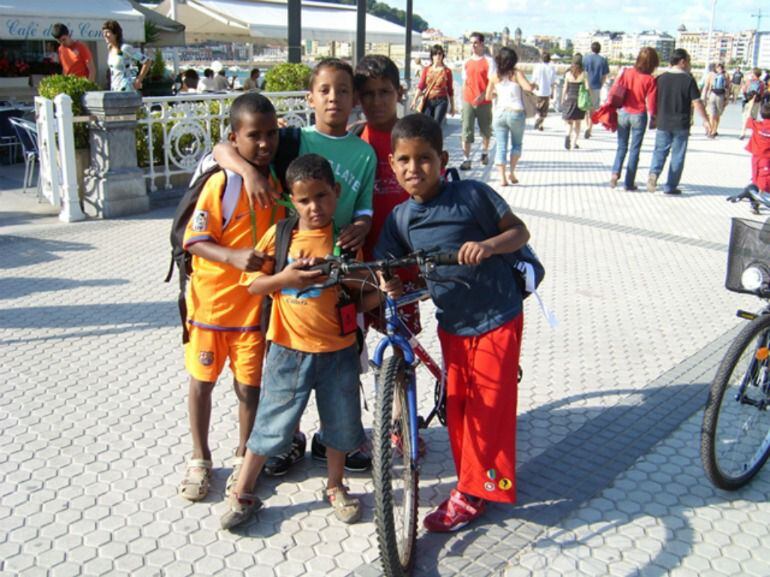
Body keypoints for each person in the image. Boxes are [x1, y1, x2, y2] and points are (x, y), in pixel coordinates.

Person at [210, 58, 377, 475]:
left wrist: (360, 224)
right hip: (291, 261)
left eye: (342, 90)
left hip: (338, 266)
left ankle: (334, 437)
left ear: (354, 99)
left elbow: (366, 209)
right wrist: (249, 173)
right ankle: (287, 438)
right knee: (286, 359)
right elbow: (221, 147)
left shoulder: (364, 153)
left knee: (341, 354)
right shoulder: (292, 138)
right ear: (311, 97)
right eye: (324, 91)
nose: (333, 99)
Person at [220, 154, 401, 530]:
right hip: (288, 349)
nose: (314, 207)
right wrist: (286, 279)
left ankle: (336, 486)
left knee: (340, 424)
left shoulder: (347, 242)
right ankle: (242, 489)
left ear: (336, 192)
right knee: (272, 422)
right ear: (290, 198)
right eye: (304, 200)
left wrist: (384, 292)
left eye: (322, 196)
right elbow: (253, 285)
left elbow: (358, 295)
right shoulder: (282, 235)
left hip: (338, 352)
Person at [375, 113, 530, 532]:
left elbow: (519, 232)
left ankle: (476, 492)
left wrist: (487, 245)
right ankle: (472, 478)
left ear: (442, 159)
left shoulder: (472, 195)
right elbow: (388, 263)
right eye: (404, 160)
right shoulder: (401, 219)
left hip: (497, 314)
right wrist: (386, 281)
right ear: (392, 164)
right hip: (453, 323)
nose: (414, 169)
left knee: (489, 408)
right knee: (460, 407)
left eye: (424, 159)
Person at [177, 92, 286, 503]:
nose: (264, 144)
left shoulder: (276, 181)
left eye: (271, 134)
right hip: (210, 309)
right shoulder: (223, 183)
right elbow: (195, 240)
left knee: (249, 388)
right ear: (233, 138)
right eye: (254, 136)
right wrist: (234, 256)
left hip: (254, 314)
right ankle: (200, 457)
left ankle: (244, 455)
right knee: (202, 382)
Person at [647, 49, 709, 195]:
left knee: (659, 151)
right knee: (678, 155)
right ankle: (670, 186)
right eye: (689, 60)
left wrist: (654, 116)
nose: (690, 64)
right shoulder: (688, 79)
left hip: (663, 122)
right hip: (681, 123)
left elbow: (652, 100)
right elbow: (697, 102)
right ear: (682, 62)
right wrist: (705, 120)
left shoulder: (660, 79)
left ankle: (654, 173)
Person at [609, 47, 659, 191]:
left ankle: (614, 174)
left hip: (623, 112)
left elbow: (616, 88)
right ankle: (629, 182)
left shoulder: (627, 72)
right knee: (635, 149)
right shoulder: (650, 80)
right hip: (639, 114)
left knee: (621, 146)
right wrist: (653, 117)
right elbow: (651, 102)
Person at [485, 47, 534, 186]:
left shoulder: (495, 76)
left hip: (500, 113)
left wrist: (498, 94)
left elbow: (488, 96)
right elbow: (528, 88)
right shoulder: (516, 74)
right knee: (516, 144)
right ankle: (511, 172)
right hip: (516, 113)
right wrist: (533, 85)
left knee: (501, 146)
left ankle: (502, 178)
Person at [460, 32, 496, 170]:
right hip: (468, 100)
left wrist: (483, 95)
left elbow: (492, 82)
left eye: (475, 42)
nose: (473, 45)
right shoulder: (466, 62)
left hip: (484, 101)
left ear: (482, 44)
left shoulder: (489, 61)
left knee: (485, 129)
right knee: (466, 129)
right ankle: (466, 159)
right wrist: (462, 100)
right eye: (471, 43)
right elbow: (465, 82)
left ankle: (484, 152)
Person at [101, 20, 150, 92]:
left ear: (115, 34)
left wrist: (139, 79)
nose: (105, 35)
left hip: (126, 88)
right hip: (115, 88)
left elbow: (147, 61)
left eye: (108, 32)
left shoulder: (125, 48)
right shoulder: (110, 48)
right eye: (104, 33)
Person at [413, 44, 455, 126]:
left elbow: (450, 90)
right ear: (432, 56)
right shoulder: (427, 70)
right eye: (435, 54)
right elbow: (421, 85)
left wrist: (453, 107)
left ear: (443, 55)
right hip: (429, 100)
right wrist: (415, 99)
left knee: (436, 124)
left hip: (441, 100)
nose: (438, 56)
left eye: (440, 54)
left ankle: (436, 138)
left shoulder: (447, 71)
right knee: (426, 124)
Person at [561, 53, 590, 150]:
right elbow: (587, 87)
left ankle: (567, 135)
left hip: (570, 99)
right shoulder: (584, 73)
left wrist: (562, 99)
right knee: (578, 123)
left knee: (569, 121)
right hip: (580, 101)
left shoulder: (568, 74)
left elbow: (565, 88)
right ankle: (574, 143)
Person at [582, 42, 609, 139]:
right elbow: (605, 75)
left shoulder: (586, 58)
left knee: (586, 107)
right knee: (593, 110)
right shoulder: (603, 60)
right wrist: (601, 85)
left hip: (586, 86)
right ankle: (589, 129)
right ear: (600, 49)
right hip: (596, 86)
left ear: (591, 48)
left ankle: (586, 126)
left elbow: (583, 73)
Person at [744, 101, 770, 192]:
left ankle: (757, 195)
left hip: (756, 156)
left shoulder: (757, 125)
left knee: (756, 175)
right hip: (767, 157)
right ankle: (761, 194)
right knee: (765, 176)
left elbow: (747, 117)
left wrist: (752, 104)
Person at [531, 51, 557, 131]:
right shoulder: (552, 68)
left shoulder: (537, 67)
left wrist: (531, 88)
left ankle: (538, 118)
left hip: (538, 91)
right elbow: (553, 82)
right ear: (549, 59)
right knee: (544, 110)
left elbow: (533, 80)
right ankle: (541, 125)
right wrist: (552, 92)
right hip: (547, 91)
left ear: (541, 59)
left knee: (538, 108)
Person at [703, 63, 729, 138]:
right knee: (718, 114)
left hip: (712, 95)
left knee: (711, 114)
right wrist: (727, 99)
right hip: (721, 96)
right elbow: (728, 87)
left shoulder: (710, 74)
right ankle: (714, 130)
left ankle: (710, 130)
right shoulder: (726, 75)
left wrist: (704, 97)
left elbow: (706, 86)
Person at [740, 68, 766, 140]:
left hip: (749, 102)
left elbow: (744, 91)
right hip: (755, 102)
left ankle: (743, 133)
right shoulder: (761, 83)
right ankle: (750, 133)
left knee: (747, 118)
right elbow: (762, 94)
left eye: (752, 73)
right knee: (752, 118)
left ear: (755, 74)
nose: (751, 75)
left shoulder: (750, 82)